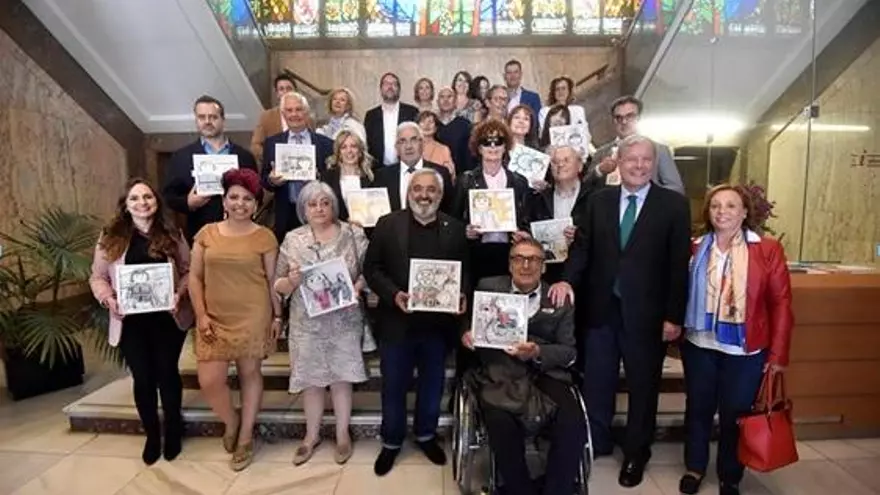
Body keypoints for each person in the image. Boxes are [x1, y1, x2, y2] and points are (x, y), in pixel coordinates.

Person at [548, 134, 691, 487]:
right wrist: (566, 281)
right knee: (597, 382)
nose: (639, 166)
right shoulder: (599, 201)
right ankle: (596, 441)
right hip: (601, 310)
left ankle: (636, 452)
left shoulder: (673, 205)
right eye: (632, 159)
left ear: (653, 164)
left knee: (643, 386)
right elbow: (582, 250)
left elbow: (678, 266)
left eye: (646, 160)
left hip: (648, 316)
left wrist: (674, 316)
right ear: (620, 163)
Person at [678, 184, 793, 495]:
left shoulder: (766, 249)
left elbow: (781, 303)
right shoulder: (695, 248)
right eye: (716, 205)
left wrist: (778, 355)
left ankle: (730, 475)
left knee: (735, 415)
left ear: (744, 212)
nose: (722, 212)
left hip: (745, 350)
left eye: (731, 206)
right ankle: (694, 467)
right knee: (698, 409)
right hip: (700, 345)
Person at [363, 168, 471, 476]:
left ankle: (426, 435)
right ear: (409, 192)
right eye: (418, 189)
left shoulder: (455, 228)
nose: (424, 195)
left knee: (432, 385)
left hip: (438, 326)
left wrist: (462, 295)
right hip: (396, 323)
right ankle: (391, 441)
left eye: (431, 190)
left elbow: (465, 271)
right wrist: (393, 294)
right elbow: (372, 268)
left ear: (440, 194)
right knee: (393, 386)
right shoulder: (388, 224)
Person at [461, 238, 584, 495]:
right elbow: (466, 321)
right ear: (509, 264)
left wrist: (538, 352)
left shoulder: (558, 298)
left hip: (546, 373)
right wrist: (467, 334)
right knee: (500, 422)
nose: (525, 265)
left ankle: (557, 490)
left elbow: (569, 351)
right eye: (518, 258)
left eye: (534, 259)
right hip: (500, 372)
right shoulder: (488, 287)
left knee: (572, 421)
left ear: (544, 267)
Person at [89, 179, 192, 465]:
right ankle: (152, 434)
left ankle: (173, 429)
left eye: (147, 197)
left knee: (167, 373)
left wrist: (179, 293)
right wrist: (108, 299)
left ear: (156, 201)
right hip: (130, 322)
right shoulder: (110, 237)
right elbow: (97, 277)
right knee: (143, 378)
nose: (142, 203)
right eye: (134, 198)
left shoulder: (172, 234)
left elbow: (188, 270)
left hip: (166, 319)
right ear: (125, 205)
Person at [189, 168, 281, 471]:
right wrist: (201, 314)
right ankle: (231, 420)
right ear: (224, 201)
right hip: (213, 315)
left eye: (247, 198)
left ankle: (245, 436)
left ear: (256, 204)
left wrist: (278, 315)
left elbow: (272, 281)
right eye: (234, 197)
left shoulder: (265, 237)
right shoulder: (206, 234)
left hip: (253, 313)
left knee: (249, 373)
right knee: (210, 380)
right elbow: (194, 277)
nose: (240, 203)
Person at [273, 181, 369, 466]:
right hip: (307, 322)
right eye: (312, 204)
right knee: (311, 381)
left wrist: (358, 287)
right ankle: (311, 436)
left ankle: (342, 435)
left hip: (344, 319)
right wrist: (291, 281)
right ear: (303, 209)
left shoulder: (353, 234)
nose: (319, 209)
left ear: (334, 206)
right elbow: (277, 284)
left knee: (341, 379)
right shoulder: (293, 239)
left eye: (325, 203)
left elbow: (370, 272)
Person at [162, 95, 258, 244]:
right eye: (202, 117)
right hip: (200, 234)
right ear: (196, 120)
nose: (207, 121)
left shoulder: (244, 156)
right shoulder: (181, 157)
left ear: (223, 120)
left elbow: (257, 193)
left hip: (241, 234)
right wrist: (188, 203)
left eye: (213, 117)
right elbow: (169, 196)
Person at [453, 119, 531, 285]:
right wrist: (464, 231)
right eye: (487, 142)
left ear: (505, 146)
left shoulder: (519, 182)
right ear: (479, 148)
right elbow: (453, 220)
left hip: (510, 254)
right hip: (476, 254)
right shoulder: (465, 181)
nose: (493, 147)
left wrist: (523, 233)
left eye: (499, 141)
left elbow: (527, 219)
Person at [261, 92, 335, 241]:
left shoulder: (327, 144)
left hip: (318, 212)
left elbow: (334, 179)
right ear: (283, 114)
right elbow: (263, 179)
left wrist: (319, 179)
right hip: (286, 213)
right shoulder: (271, 143)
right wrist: (271, 181)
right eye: (289, 110)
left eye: (299, 109)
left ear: (307, 112)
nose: (294, 114)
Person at [588, 95, 685, 195]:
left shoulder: (659, 150)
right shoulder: (601, 153)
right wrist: (599, 170)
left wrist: (644, 198)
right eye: (619, 118)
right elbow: (584, 189)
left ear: (639, 118)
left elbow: (676, 189)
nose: (624, 122)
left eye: (629, 116)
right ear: (613, 121)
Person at [372, 122, 454, 212]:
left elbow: (449, 212)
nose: (408, 146)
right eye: (402, 141)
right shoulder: (382, 176)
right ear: (396, 147)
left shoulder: (441, 173)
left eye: (414, 140)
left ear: (422, 144)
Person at [364, 72, 419, 167]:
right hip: (378, 169)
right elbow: (367, 144)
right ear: (381, 89)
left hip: (406, 166)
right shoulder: (371, 115)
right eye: (386, 84)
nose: (390, 87)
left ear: (399, 89)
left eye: (394, 84)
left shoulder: (412, 112)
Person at [323, 130, 375, 222]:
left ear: (360, 151)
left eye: (353, 146)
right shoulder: (327, 178)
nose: (349, 151)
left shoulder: (372, 177)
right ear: (338, 153)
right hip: (337, 228)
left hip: (365, 228)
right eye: (343, 147)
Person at [251, 73, 297, 162]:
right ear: (277, 94)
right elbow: (255, 146)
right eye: (281, 89)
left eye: (289, 88)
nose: (285, 92)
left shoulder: (306, 118)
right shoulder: (267, 117)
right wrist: (273, 158)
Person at [435, 86, 474, 177]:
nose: (446, 100)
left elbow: (470, 154)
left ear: (455, 101)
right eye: (442, 97)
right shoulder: (432, 124)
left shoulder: (465, 124)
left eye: (449, 97)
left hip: (460, 176)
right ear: (437, 102)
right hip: (435, 175)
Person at [418, 110, 455, 180]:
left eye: (431, 122)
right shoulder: (411, 147)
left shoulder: (444, 149)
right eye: (423, 122)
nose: (427, 125)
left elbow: (451, 176)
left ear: (436, 128)